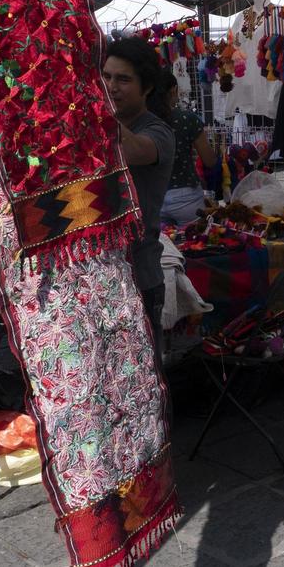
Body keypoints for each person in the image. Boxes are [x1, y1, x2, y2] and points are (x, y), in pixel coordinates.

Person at [102, 37, 175, 366]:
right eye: (106, 77)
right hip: (102, 274)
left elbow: (131, 151)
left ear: (146, 88)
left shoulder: (158, 131)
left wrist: (92, 105)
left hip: (139, 276)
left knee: (143, 378)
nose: (111, 86)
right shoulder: (101, 128)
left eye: (123, 79)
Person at [162, 84, 218, 225]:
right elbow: (209, 160)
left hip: (153, 197)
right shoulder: (187, 118)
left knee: (164, 245)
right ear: (173, 90)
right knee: (196, 241)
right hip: (186, 193)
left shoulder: (144, 120)